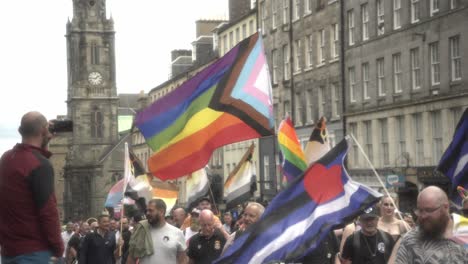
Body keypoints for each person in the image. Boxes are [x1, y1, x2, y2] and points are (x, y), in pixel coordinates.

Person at [0, 111, 64, 263]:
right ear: (43, 130)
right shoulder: (40, 165)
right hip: (35, 252)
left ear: (20, 130)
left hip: (9, 251)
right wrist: (58, 248)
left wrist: (45, 141)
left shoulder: (6, 158)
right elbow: (48, 211)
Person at [395, 186, 468, 263]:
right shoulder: (410, 240)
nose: (423, 216)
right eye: (420, 210)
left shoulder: (465, 229)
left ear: (446, 207)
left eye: (429, 210)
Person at [128, 199, 187, 264]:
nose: (147, 213)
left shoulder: (177, 233)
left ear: (161, 212)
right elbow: (131, 258)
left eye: (151, 210)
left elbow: (182, 261)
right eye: (147, 210)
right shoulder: (141, 230)